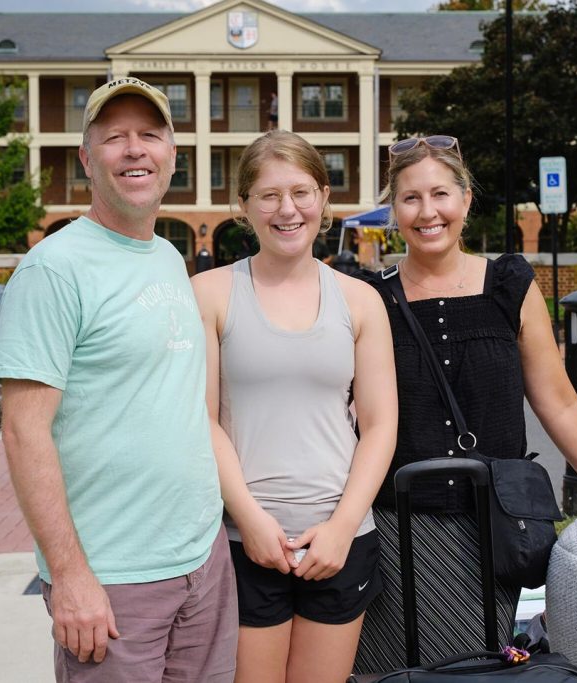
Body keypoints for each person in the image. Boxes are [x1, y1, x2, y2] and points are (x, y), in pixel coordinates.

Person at [352, 135, 577, 672]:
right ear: (392, 210)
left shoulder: (510, 285)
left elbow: (559, 403)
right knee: (400, 671)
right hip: (396, 527)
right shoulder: (367, 295)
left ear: (467, 199)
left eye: (441, 194)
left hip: (494, 531)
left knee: (482, 669)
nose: (428, 212)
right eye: (410, 198)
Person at [0, 77, 237, 682]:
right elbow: (25, 434)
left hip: (202, 564)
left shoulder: (165, 258)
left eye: (150, 135)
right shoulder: (54, 268)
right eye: (115, 138)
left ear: (172, 155)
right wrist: (71, 574)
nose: (135, 150)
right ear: (86, 157)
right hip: (114, 579)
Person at [191, 129, 398, 683]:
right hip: (245, 541)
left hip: (339, 540)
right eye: (269, 195)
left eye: (302, 192)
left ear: (324, 198)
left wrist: (341, 526)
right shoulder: (209, 294)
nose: (288, 209)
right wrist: (251, 521)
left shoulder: (360, 300)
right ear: (244, 206)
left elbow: (380, 426)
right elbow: (202, 421)